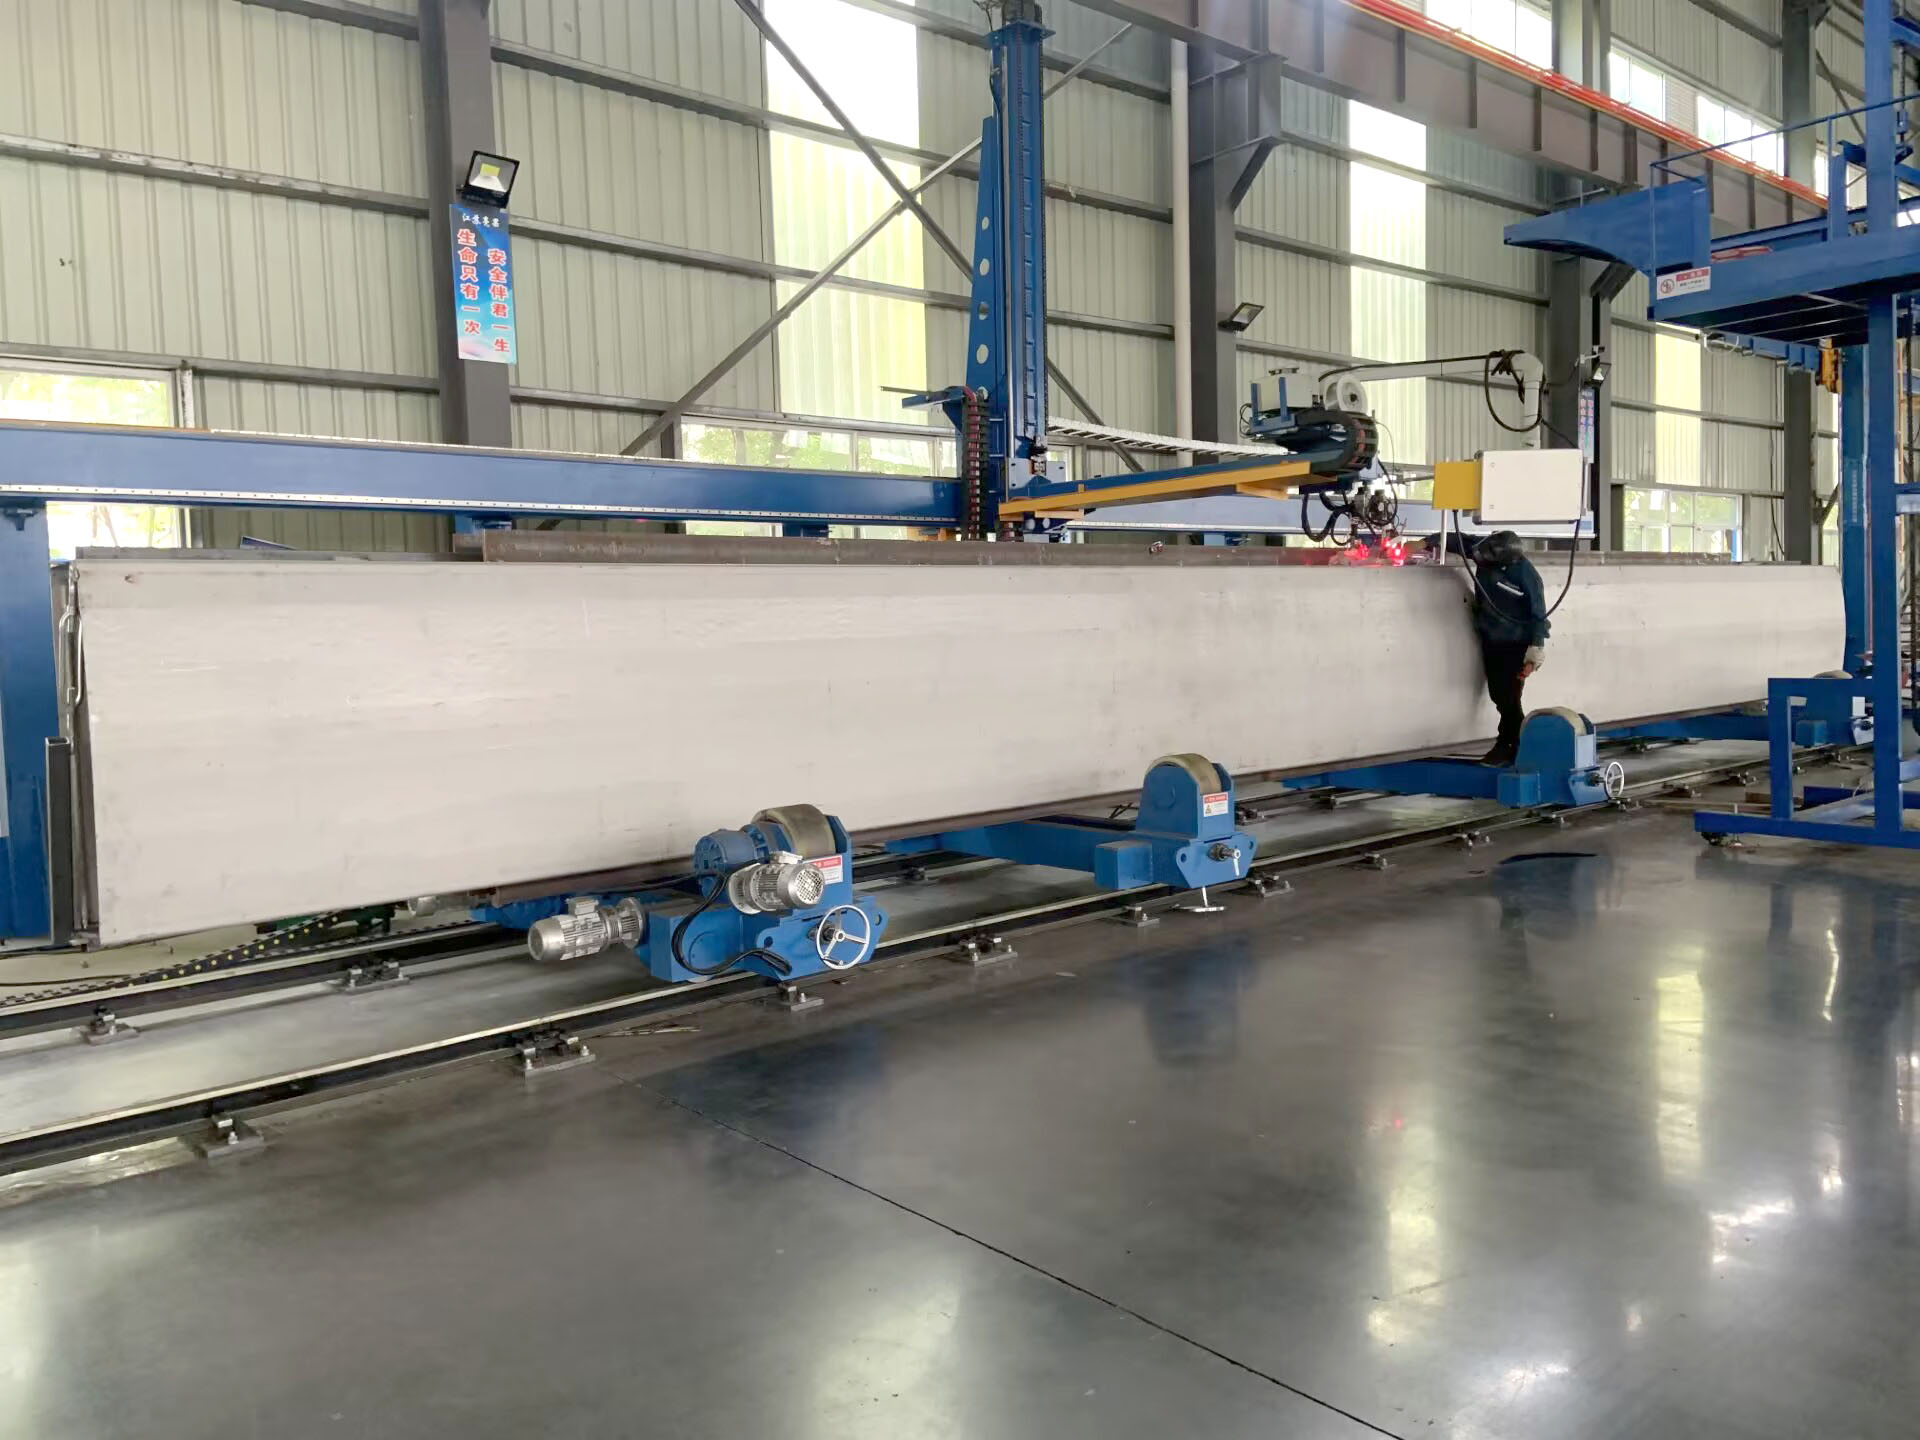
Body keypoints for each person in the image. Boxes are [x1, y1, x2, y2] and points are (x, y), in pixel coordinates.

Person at [1431, 530, 1550, 767]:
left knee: (1508, 698)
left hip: (1515, 643)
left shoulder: (1525, 575)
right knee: (1500, 694)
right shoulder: (1483, 549)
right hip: (1491, 638)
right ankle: (1515, 745)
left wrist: (1536, 649)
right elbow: (1457, 540)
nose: (1480, 559)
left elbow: (1539, 615)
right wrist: (1427, 542)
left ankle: (1509, 745)